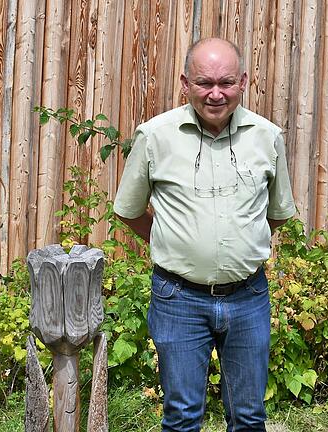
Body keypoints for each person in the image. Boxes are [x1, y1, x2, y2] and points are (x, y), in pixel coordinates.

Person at [114, 38, 295, 431]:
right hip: (178, 299)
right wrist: (172, 241)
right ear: (185, 83)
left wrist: (242, 241)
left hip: (248, 297)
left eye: (226, 82)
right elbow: (128, 211)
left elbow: (277, 214)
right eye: (204, 83)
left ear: (243, 81)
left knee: (248, 417)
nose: (216, 93)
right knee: (181, 417)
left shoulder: (267, 137)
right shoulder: (155, 136)